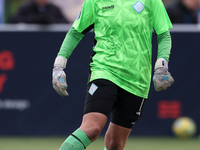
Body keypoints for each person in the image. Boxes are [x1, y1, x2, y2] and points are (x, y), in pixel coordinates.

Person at [52, 0, 174, 150]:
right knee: (92, 128)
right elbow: (75, 32)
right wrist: (59, 66)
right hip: (104, 70)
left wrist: (161, 66)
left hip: (138, 79)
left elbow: (163, 35)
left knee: (115, 144)